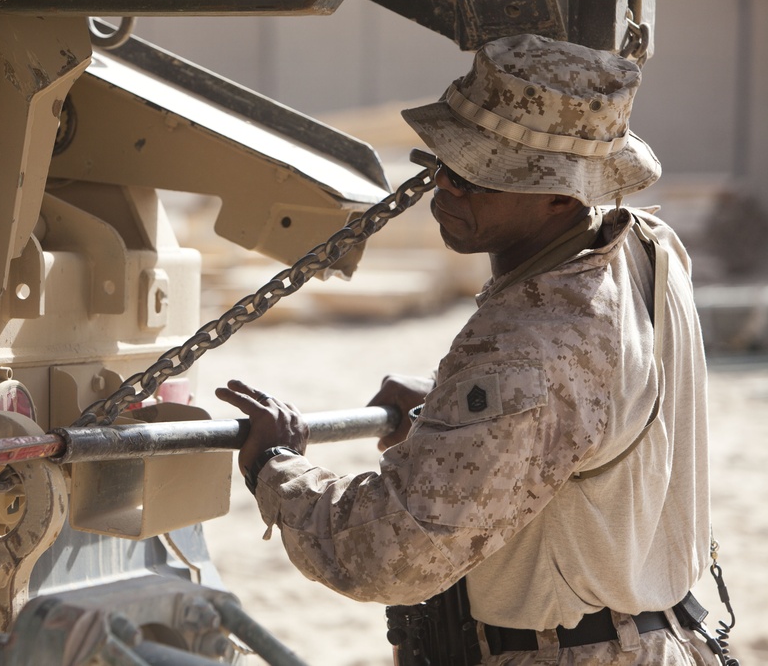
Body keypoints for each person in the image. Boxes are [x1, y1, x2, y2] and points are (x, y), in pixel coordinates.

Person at [215, 34, 721, 665]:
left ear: (564, 193)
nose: (445, 188)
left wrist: (276, 464)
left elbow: (391, 552)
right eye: (444, 162)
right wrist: (456, 412)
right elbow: (599, 408)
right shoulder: (646, 248)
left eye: (477, 174)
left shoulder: (526, 349)